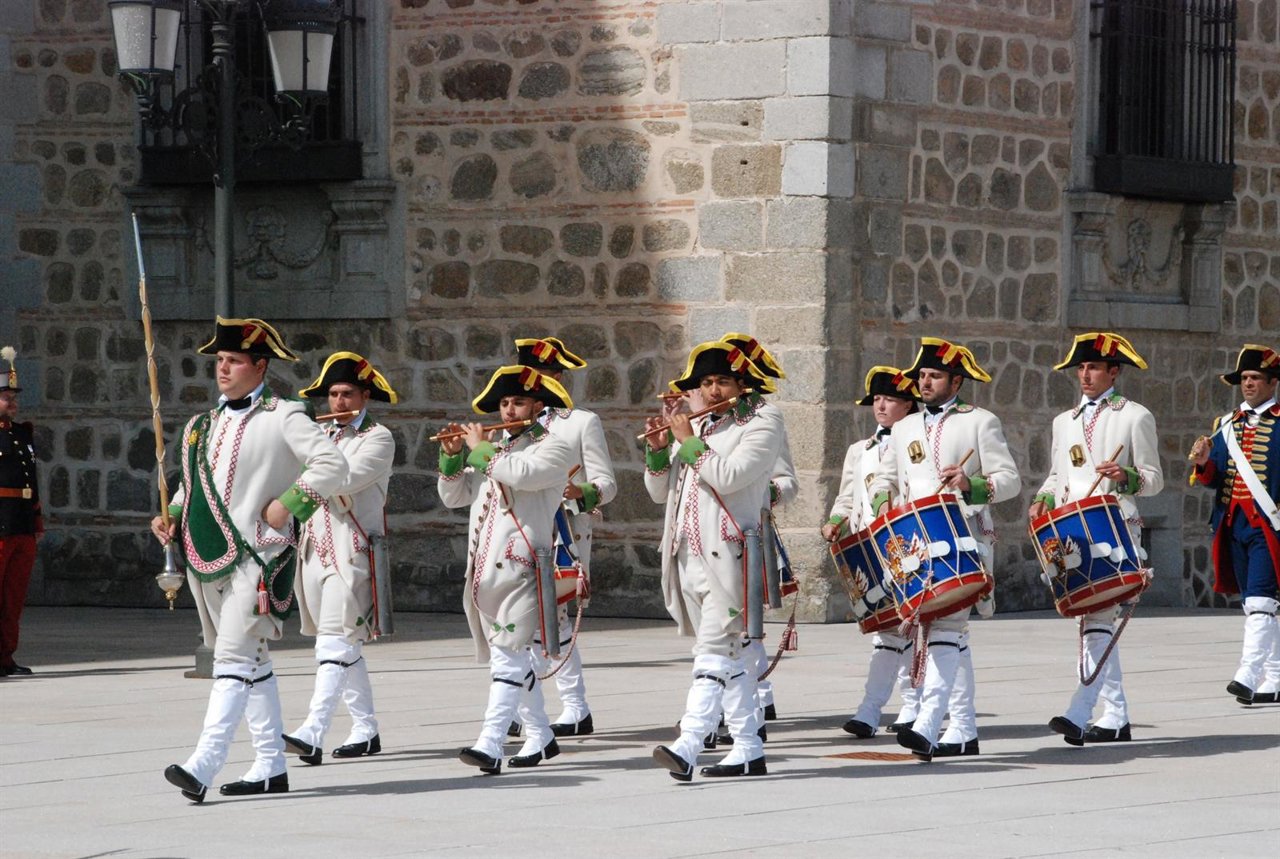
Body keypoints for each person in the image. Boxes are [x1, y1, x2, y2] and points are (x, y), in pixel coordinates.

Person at [152, 318, 349, 802]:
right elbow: (194, 484)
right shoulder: (203, 425)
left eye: (234, 360)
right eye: (219, 361)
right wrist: (172, 513)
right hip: (207, 557)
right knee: (253, 661)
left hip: (257, 557)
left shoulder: (285, 415)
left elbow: (332, 465)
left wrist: (288, 505)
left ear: (260, 366)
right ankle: (269, 765)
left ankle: (203, 763)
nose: (223, 368)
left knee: (232, 658)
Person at [868, 337, 1021, 761]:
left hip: (962, 539)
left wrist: (971, 484)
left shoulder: (980, 421)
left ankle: (928, 723)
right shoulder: (903, 427)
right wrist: (884, 506)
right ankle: (965, 729)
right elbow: (885, 479)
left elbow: (1009, 480)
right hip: (914, 545)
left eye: (934, 375)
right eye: (921, 375)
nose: (924, 382)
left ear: (956, 380)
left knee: (946, 630)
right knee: (948, 636)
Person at [644, 340, 782, 781]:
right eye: (706, 383)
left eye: (722, 380)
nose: (713, 390)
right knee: (734, 655)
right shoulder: (700, 428)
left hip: (733, 554)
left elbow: (730, 476)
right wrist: (658, 450)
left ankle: (688, 743)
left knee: (711, 651)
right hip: (688, 554)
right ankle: (747, 748)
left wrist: (685, 441)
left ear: (742, 383)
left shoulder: (763, 420)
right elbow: (659, 490)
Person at [437, 365, 574, 775]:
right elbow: (454, 496)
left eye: (517, 402)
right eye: (504, 403)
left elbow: (523, 476)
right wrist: (450, 457)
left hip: (524, 567)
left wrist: (480, 450)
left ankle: (490, 742)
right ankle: (541, 736)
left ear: (536, 406)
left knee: (508, 659)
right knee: (513, 658)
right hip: (484, 569)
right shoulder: (496, 449)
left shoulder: (554, 446)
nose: (509, 410)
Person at [1033, 334, 1164, 744]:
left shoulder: (1135, 416)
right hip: (1072, 531)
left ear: (1114, 372)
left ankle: (1079, 711)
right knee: (1094, 619)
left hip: (1113, 528)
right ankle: (1116, 716)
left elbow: (1155, 480)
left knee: (1098, 618)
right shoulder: (1063, 421)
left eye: (1093, 368)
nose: (1085, 375)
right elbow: (1058, 476)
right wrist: (1041, 499)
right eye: (1081, 368)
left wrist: (1126, 477)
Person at [282, 352, 398, 766]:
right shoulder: (321, 436)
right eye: (332, 395)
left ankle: (312, 731)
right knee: (343, 644)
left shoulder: (378, 438)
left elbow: (343, 478)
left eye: (347, 394)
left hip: (353, 551)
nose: (338, 403)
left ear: (365, 395)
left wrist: (292, 492)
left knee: (333, 640)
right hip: (313, 552)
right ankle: (366, 730)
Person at [513, 337, 617, 737]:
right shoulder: (515, 421)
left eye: (543, 375)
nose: (534, 383)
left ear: (557, 378)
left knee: (553, 617)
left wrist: (583, 492)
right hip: (520, 530)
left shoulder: (580, 422)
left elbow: (606, 482)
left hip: (566, 529)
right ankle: (529, 704)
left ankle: (572, 706)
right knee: (523, 619)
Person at [822, 365, 921, 738]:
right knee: (885, 629)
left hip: (907, 545)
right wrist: (835, 520)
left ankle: (908, 706)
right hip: (870, 548)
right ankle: (873, 709)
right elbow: (848, 495)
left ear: (908, 405)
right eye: (877, 399)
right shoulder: (859, 450)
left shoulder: (917, 444)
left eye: (890, 399)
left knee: (910, 629)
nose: (881, 406)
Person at [1191, 344, 1280, 706]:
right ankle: (1274, 679)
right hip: (1233, 524)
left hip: (1269, 526)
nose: (1248, 384)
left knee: (1260, 601)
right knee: (1259, 604)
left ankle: (1247, 674)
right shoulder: (1224, 425)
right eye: (1244, 378)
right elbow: (1215, 478)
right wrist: (1202, 463)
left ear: (1273, 382)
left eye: (1256, 378)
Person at [720, 332, 797, 725]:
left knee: (747, 620)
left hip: (751, 528)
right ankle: (748, 700)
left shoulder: (765, 419)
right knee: (726, 626)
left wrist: (762, 490)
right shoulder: (712, 423)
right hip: (711, 534)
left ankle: (754, 699)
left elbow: (787, 482)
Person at [0, 347, 41, 677]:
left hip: (22, 524)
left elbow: (32, 482)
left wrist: (36, 521)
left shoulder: (22, 433)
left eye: (14, 397)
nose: (12, 403)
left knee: (13, 597)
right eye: (5, 397)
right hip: (0, 523)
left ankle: (5, 656)